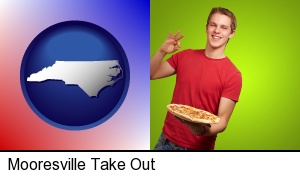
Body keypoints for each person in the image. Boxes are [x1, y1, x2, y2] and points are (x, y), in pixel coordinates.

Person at [150, 7, 242, 150]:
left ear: (231, 33)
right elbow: (151, 74)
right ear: (206, 28)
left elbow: (223, 120)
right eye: (213, 25)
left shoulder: (233, 75)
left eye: (223, 27)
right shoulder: (185, 56)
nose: (217, 31)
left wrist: (201, 130)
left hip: (197, 148)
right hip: (165, 141)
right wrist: (162, 51)